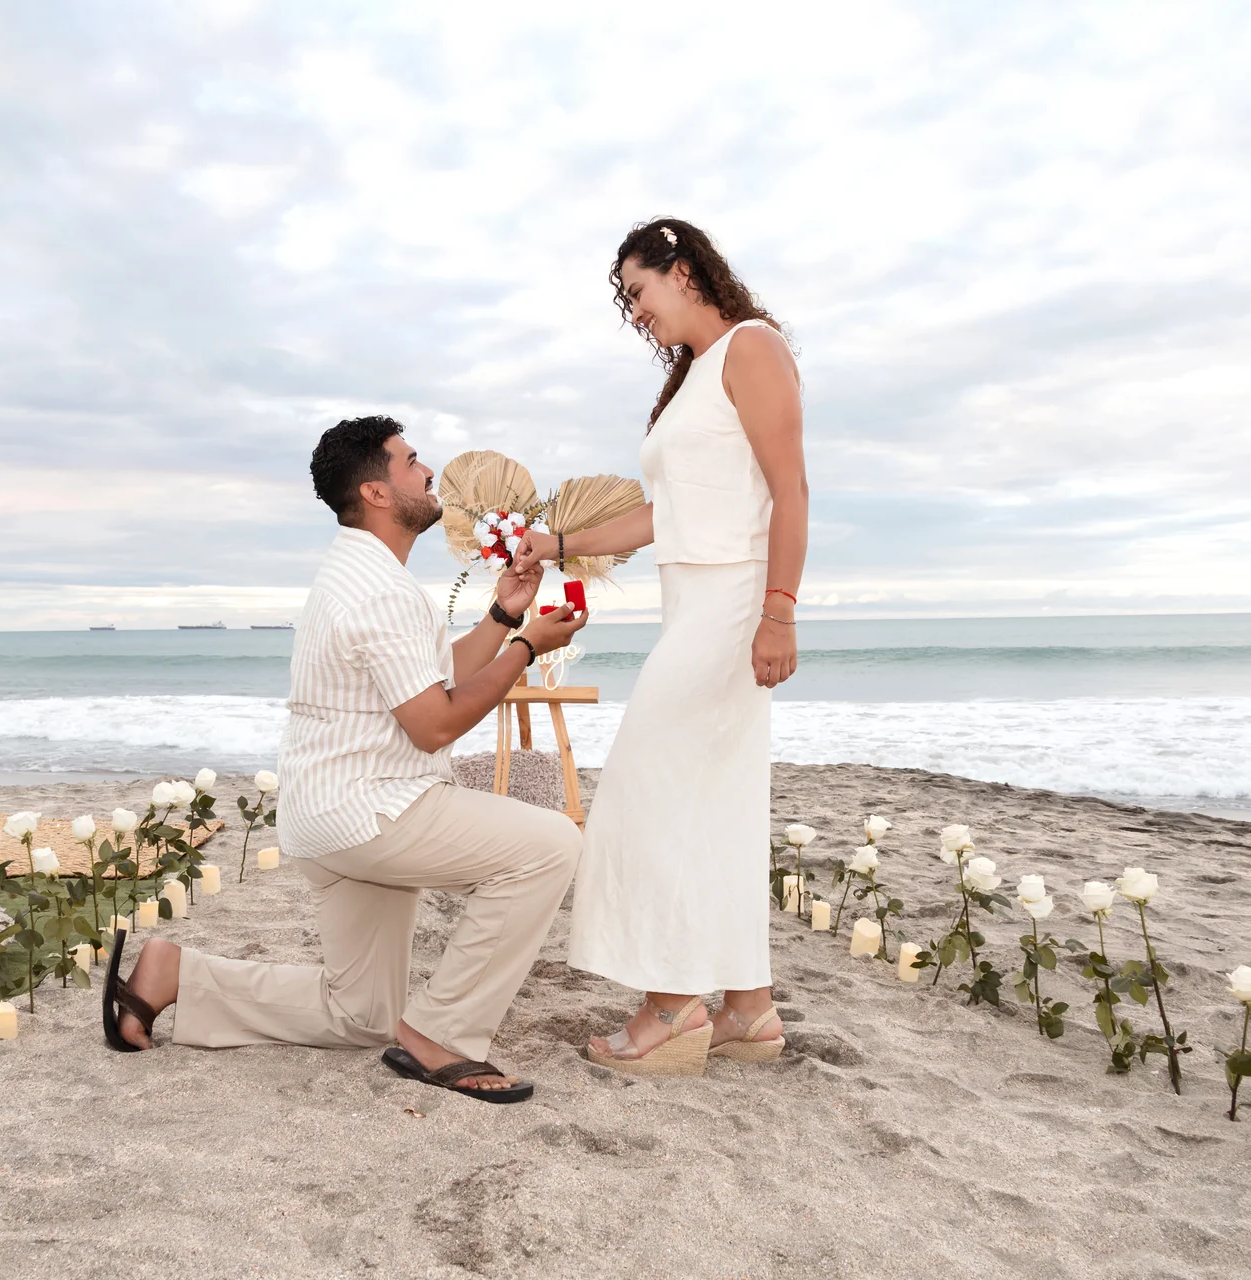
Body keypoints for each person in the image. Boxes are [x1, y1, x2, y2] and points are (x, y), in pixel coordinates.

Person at [103, 415, 589, 1103]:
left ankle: (175, 975)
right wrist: (528, 649)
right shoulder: (380, 590)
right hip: (373, 810)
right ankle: (442, 1034)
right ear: (379, 492)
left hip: (326, 818)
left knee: (360, 1015)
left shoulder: (357, 573)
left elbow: (426, 681)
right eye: (412, 460)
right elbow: (433, 724)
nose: (428, 471)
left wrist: (504, 619)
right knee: (548, 845)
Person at [515, 218, 808, 1075]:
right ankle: (748, 1010)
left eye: (638, 293)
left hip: (733, 607)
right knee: (713, 808)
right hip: (695, 606)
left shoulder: (752, 349)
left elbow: (789, 489)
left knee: (649, 799)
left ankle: (673, 1004)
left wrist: (779, 611)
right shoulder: (696, 379)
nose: (636, 314)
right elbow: (664, 515)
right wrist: (557, 545)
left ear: (682, 272)